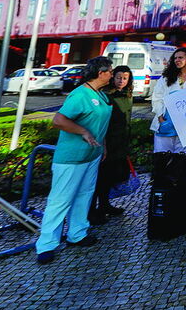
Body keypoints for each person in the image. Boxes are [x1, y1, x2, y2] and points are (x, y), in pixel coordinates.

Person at [36, 57, 114, 264]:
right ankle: (46, 244)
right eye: (110, 71)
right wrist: (83, 132)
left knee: (84, 195)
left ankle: (77, 233)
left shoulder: (102, 95)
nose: (112, 75)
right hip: (72, 157)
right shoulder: (80, 95)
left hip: (92, 155)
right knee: (61, 199)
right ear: (101, 73)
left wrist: (103, 144)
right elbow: (59, 120)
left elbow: (100, 122)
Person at [88, 65, 133, 225]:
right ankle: (92, 211)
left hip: (120, 143)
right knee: (100, 178)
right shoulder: (106, 96)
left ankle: (105, 204)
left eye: (125, 78)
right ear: (113, 78)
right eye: (118, 77)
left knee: (110, 178)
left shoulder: (127, 95)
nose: (121, 81)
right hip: (107, 142)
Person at [151, 47, 186, 155]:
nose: (177, 60)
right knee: (163, 159)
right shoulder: (166, 77)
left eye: (180, 57)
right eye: (175, 58)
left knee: (182, 161)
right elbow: (157, 98)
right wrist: (161, 119)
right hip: (167, 124)